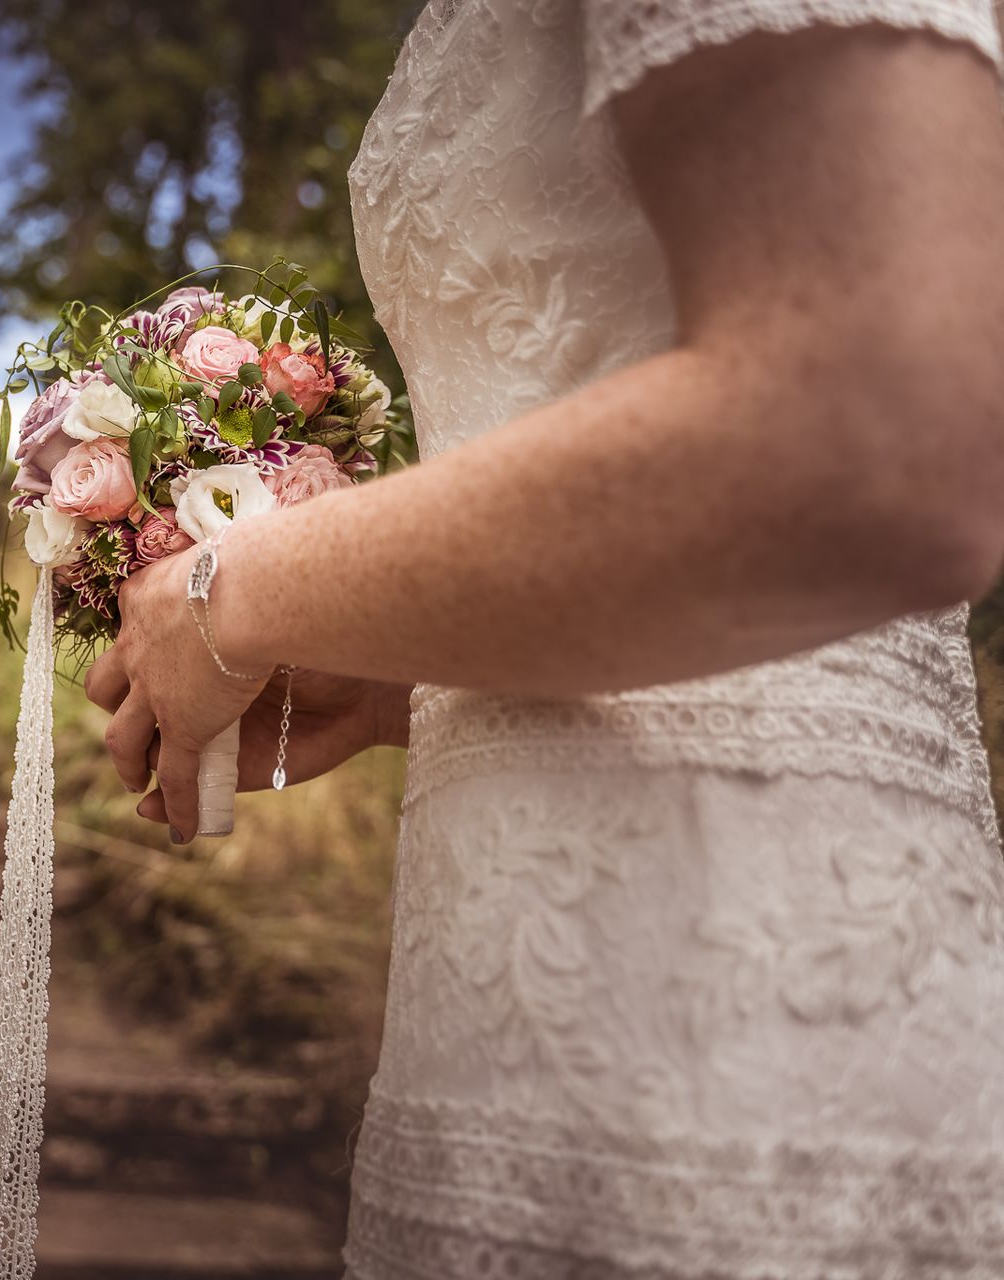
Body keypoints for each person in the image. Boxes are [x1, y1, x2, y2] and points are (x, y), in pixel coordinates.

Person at [82, 0, 1004, 1271]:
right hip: (497, 981)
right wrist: (419, 668)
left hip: (755, 977)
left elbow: (873, 439)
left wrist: (237, 590)